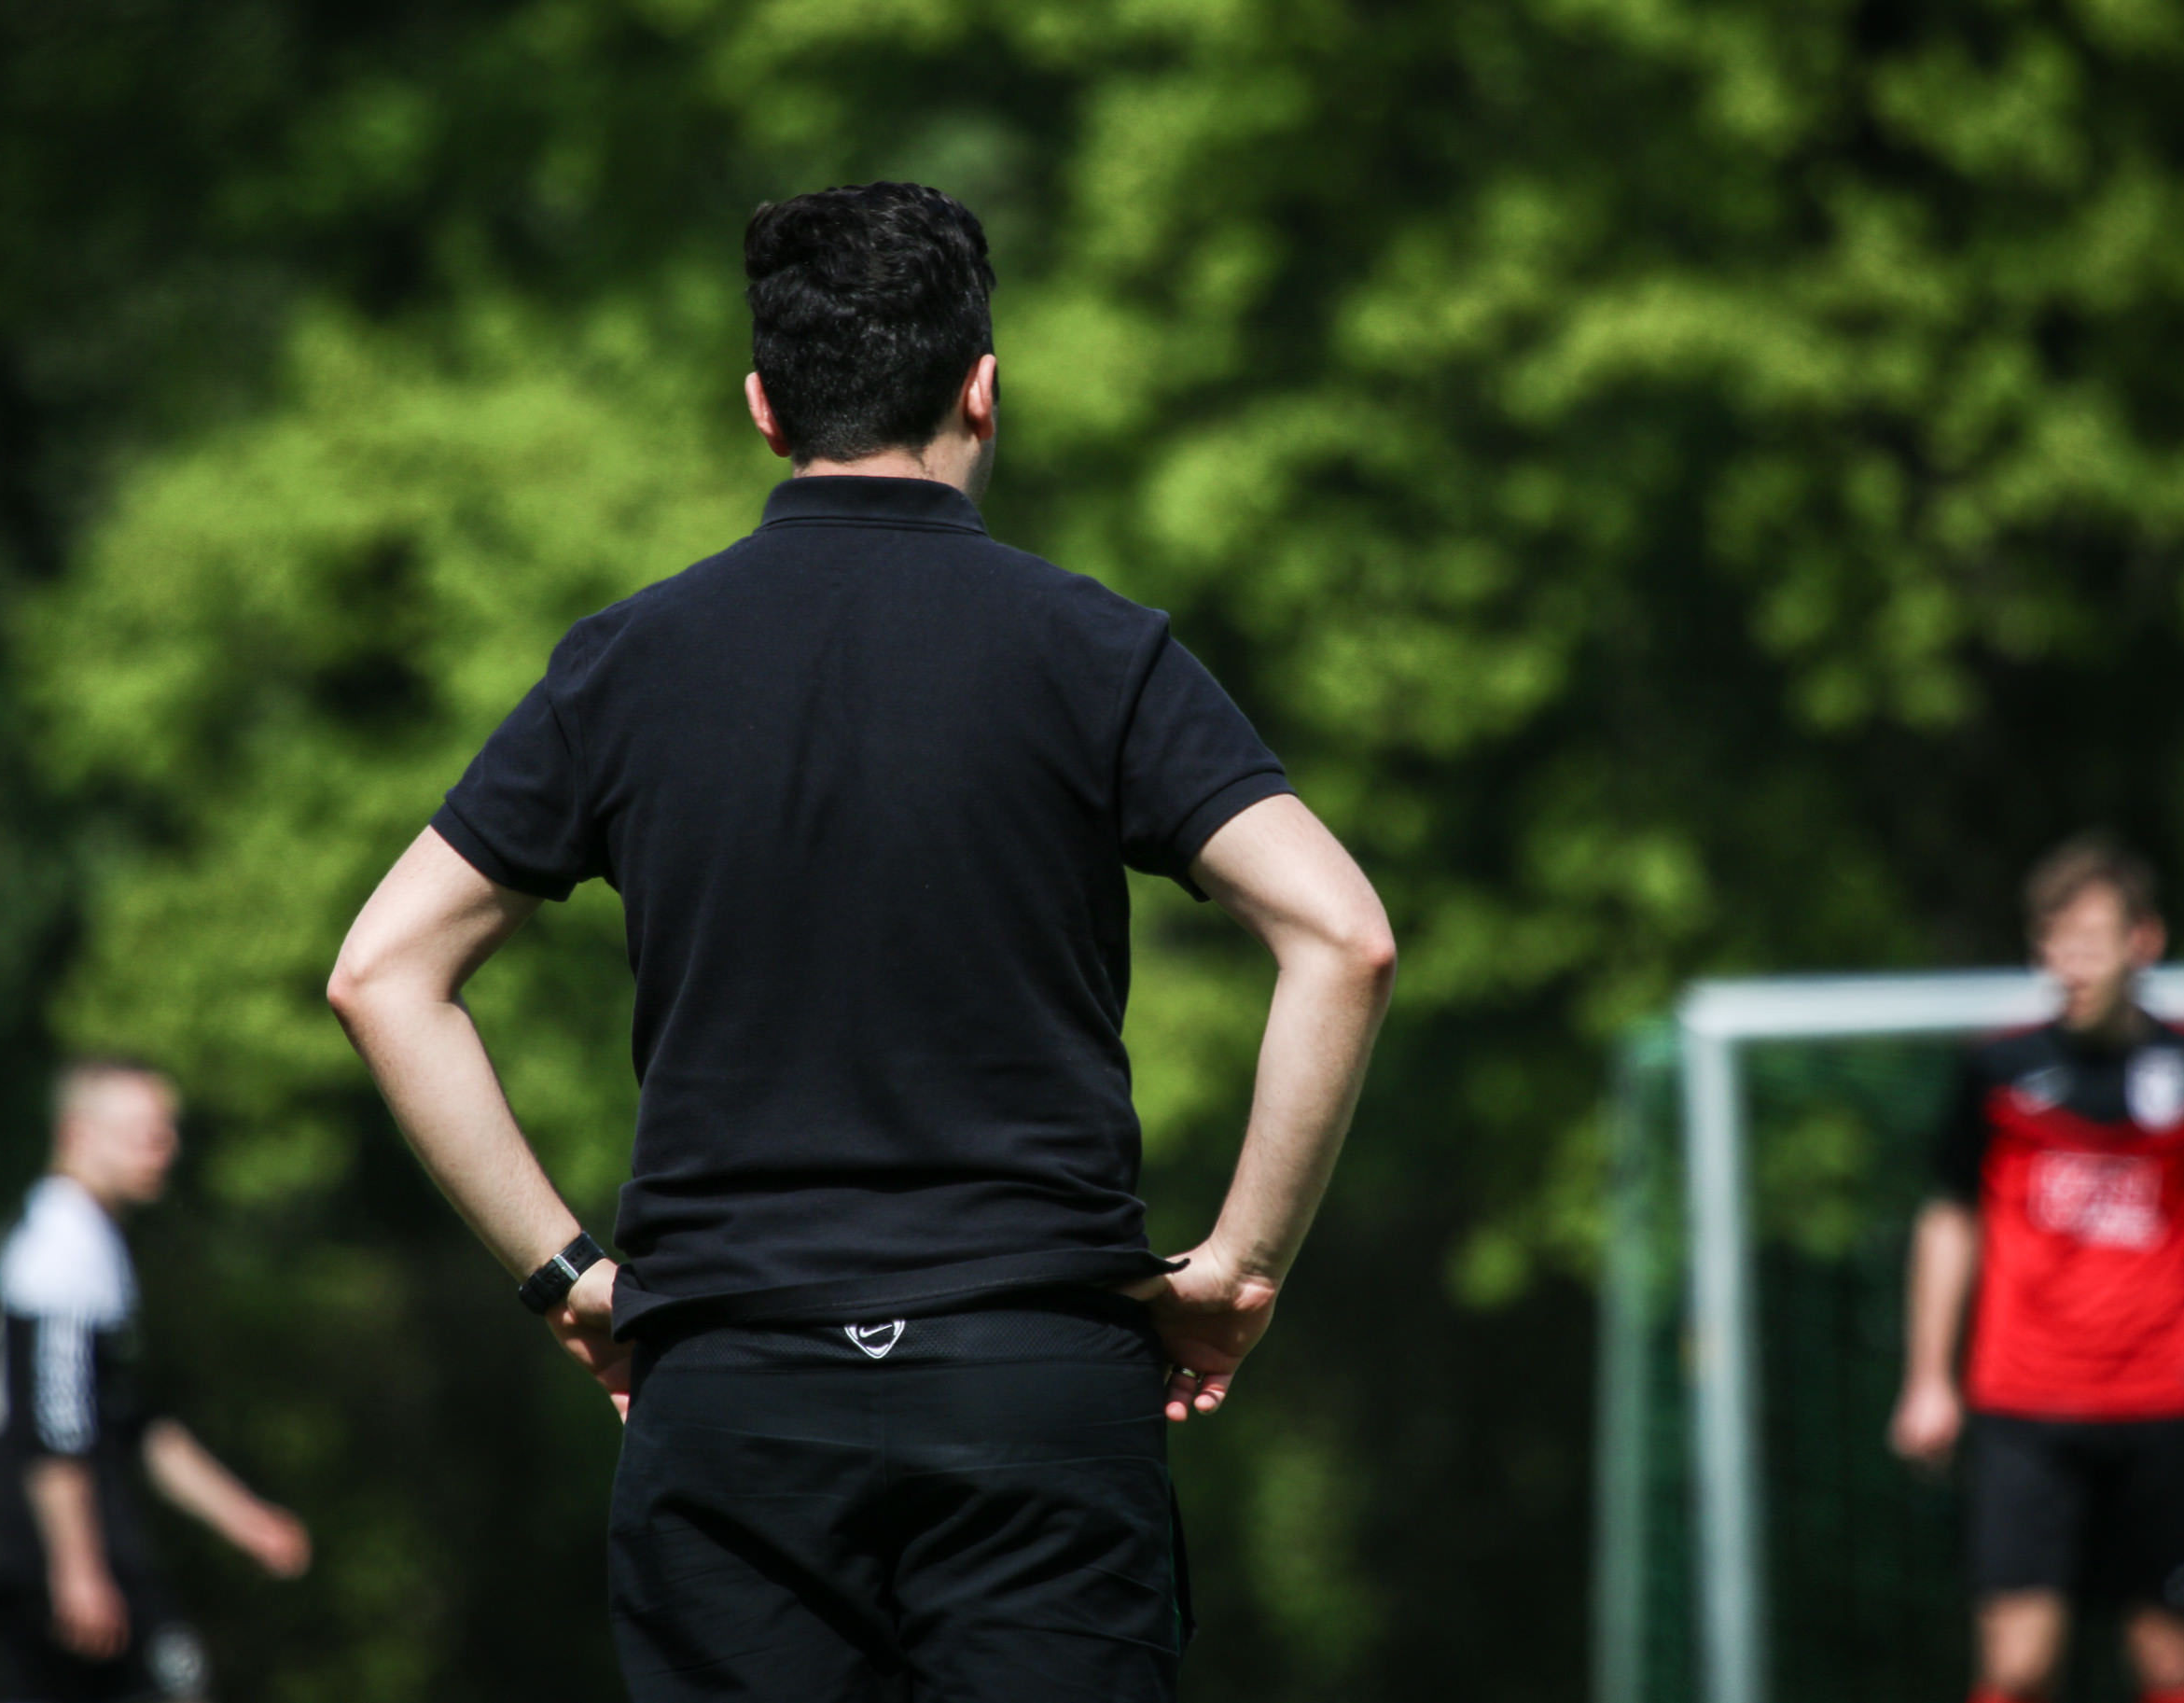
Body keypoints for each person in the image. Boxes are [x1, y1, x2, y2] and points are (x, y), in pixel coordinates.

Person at [325, 181, 1395, 1701]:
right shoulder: (1096, 651)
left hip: (730, 1395)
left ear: (763, 408)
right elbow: (1341, 937)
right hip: (1034, 1385)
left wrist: (567, 1276)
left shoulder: (626, 665)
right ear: (982, 389)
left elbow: (381, 973)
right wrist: (1238, 1267)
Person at [1888, 836, 2184, 1703]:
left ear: (2145, 940)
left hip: (2163, 1396)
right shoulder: (1997, 1065)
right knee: (2018, 1663)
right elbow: (1949, 1215)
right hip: (2024, 1400)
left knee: (2171, 1659)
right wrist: (1926, 1376)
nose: (2068, 963)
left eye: (2089, 941)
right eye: (2052, 941)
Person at [0, 1057, 313, 1703]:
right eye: (145, 1133)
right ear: (77, 1134)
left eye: (167, 1131)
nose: (166, 1148)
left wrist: (245, 1519)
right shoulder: (61, 1249)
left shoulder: (82, 1237)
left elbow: (128, 1418)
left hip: (61, 1558)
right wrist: (78, 1569)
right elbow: (54, 1429)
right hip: (65, 1561)